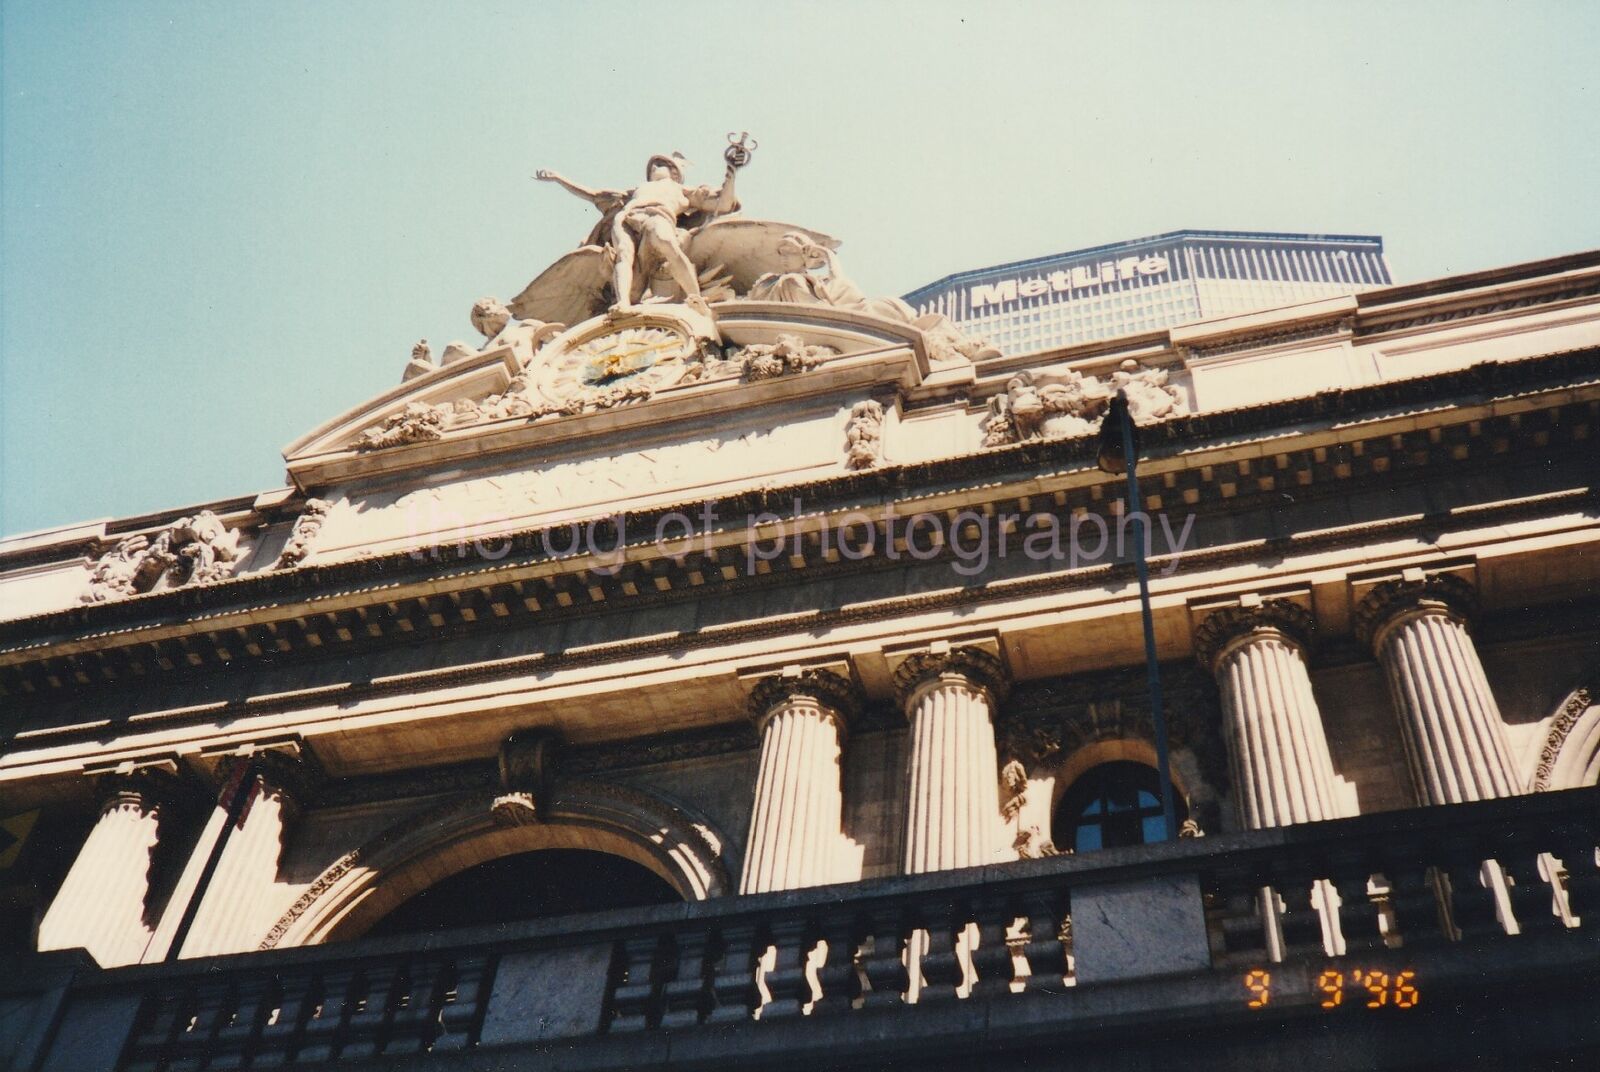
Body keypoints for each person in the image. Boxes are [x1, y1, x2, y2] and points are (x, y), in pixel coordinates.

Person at [536, 153, 738, 315]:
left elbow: (723, 203)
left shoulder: (684, 190)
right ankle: (623, 303)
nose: (654, 166)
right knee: (623, 255)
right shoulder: (637, 190)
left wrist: (731, 173)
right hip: (627, 217)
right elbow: (593, 195)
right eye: (653, 164)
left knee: (667, 243)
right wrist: (559, 179)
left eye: (660, 163)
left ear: (675, 173)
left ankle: (695, 297)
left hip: (658, 215)